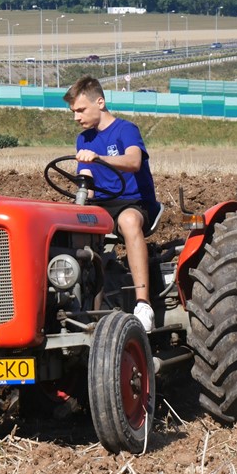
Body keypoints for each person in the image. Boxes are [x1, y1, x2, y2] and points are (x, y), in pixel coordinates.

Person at [63, 76, 159, 331]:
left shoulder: (126, 130)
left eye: (81, 110)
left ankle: (143, 304)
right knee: (70, 226)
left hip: (133, 202)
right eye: (73, 112)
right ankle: (75, 301)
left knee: (128, 221)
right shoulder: (84, 139)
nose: (76, 117)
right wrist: (79, 206)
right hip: (102, 205)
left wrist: (100, 158)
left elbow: (133, 161)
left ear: (100, 102)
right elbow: (87, 179)